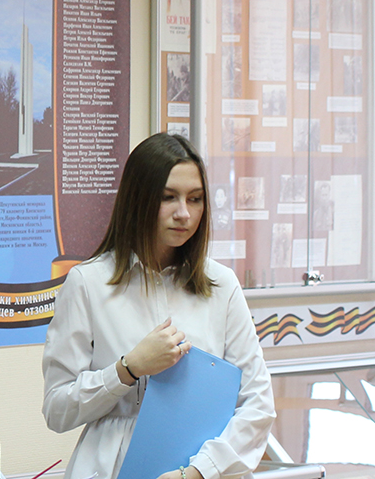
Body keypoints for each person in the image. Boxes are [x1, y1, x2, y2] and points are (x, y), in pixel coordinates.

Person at [42, 132, 274, 479]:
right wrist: (127, 369)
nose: (184, 214)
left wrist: (197, 472)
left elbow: (257, 403)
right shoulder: (88, 283)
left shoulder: (222, 285)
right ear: (138, 199)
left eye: (195, 199)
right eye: (168, 198)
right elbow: (57, 409)